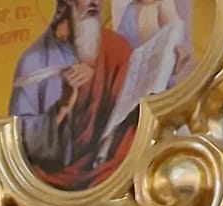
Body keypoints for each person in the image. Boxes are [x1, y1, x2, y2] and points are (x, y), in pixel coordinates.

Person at [10, 0, 137, 189]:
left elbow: (134, 118)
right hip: (50, 186)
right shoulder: (34, 62)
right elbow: (21, 143)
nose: (95, 2)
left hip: (111, 174)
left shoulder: (116, 50)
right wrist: (63, 106)